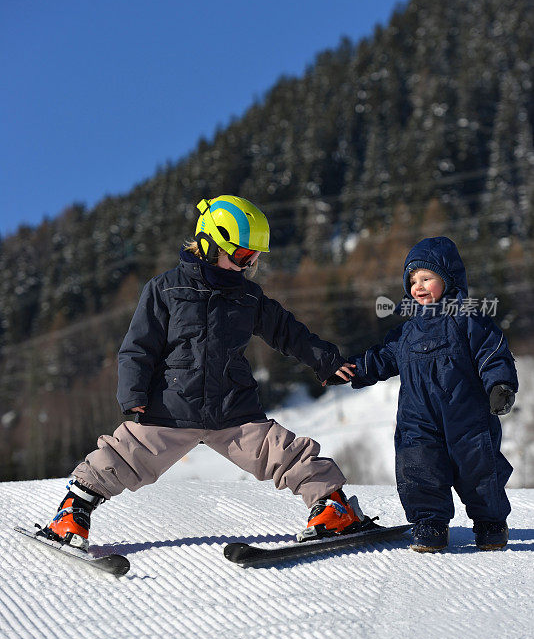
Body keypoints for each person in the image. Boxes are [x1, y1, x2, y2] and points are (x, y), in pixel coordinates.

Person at [41, 195, 365, 551]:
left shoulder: (248, 297)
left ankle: (334, 508)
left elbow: (287, 331)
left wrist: (326, 360)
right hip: (171, 406)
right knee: (122, 456)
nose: (248, 265)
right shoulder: (166, 289)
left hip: (232, 408)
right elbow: (138, 347)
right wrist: (133, 395)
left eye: (254, 258)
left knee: (285, 452)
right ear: (210, 243)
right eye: (242, 255)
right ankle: (72, 513)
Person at [328, 236, 517, 553]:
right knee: (419, 468)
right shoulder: (406, 332)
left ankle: (491, 523)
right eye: (412, 280)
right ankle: (430, 524)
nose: (418, 286)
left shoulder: (468, 319)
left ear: (450, 279)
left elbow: (493, 355)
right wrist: (351, 370)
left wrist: (500, 386)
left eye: (427, 277)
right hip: (419, 420)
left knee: (480, 472)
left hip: (467, 418)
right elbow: (381, 358)